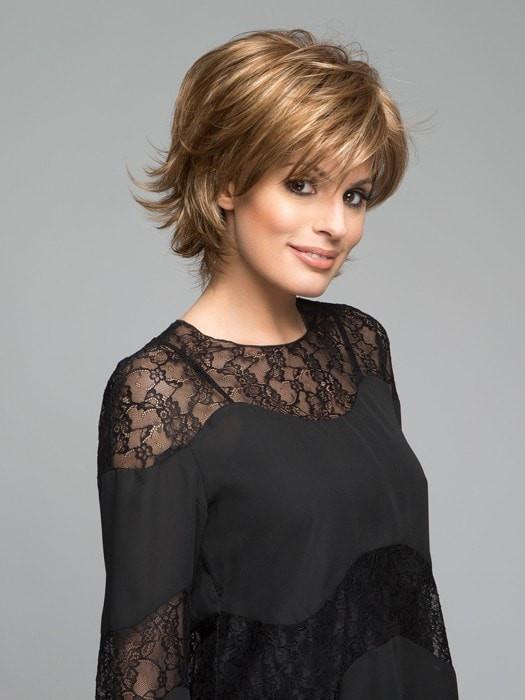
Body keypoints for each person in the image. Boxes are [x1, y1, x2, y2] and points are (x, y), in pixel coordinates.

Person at [94, 28, 459, 699]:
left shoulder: (359, 346)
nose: (336, 225)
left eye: (354, 194)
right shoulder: (161, 391)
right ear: (226, 181)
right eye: (302, 184)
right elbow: (141, 670)